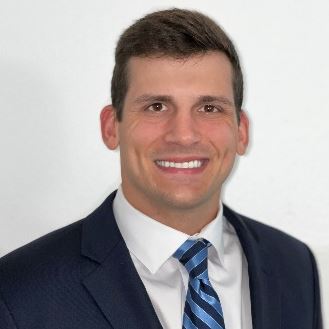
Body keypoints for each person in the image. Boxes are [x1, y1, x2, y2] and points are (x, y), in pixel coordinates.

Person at [0, 8, 322, 329]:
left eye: (209, 108)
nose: (183, 135)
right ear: (111, 126)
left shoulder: (294, 267)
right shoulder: (18, 293)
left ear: (241, 131)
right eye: (156, 106)